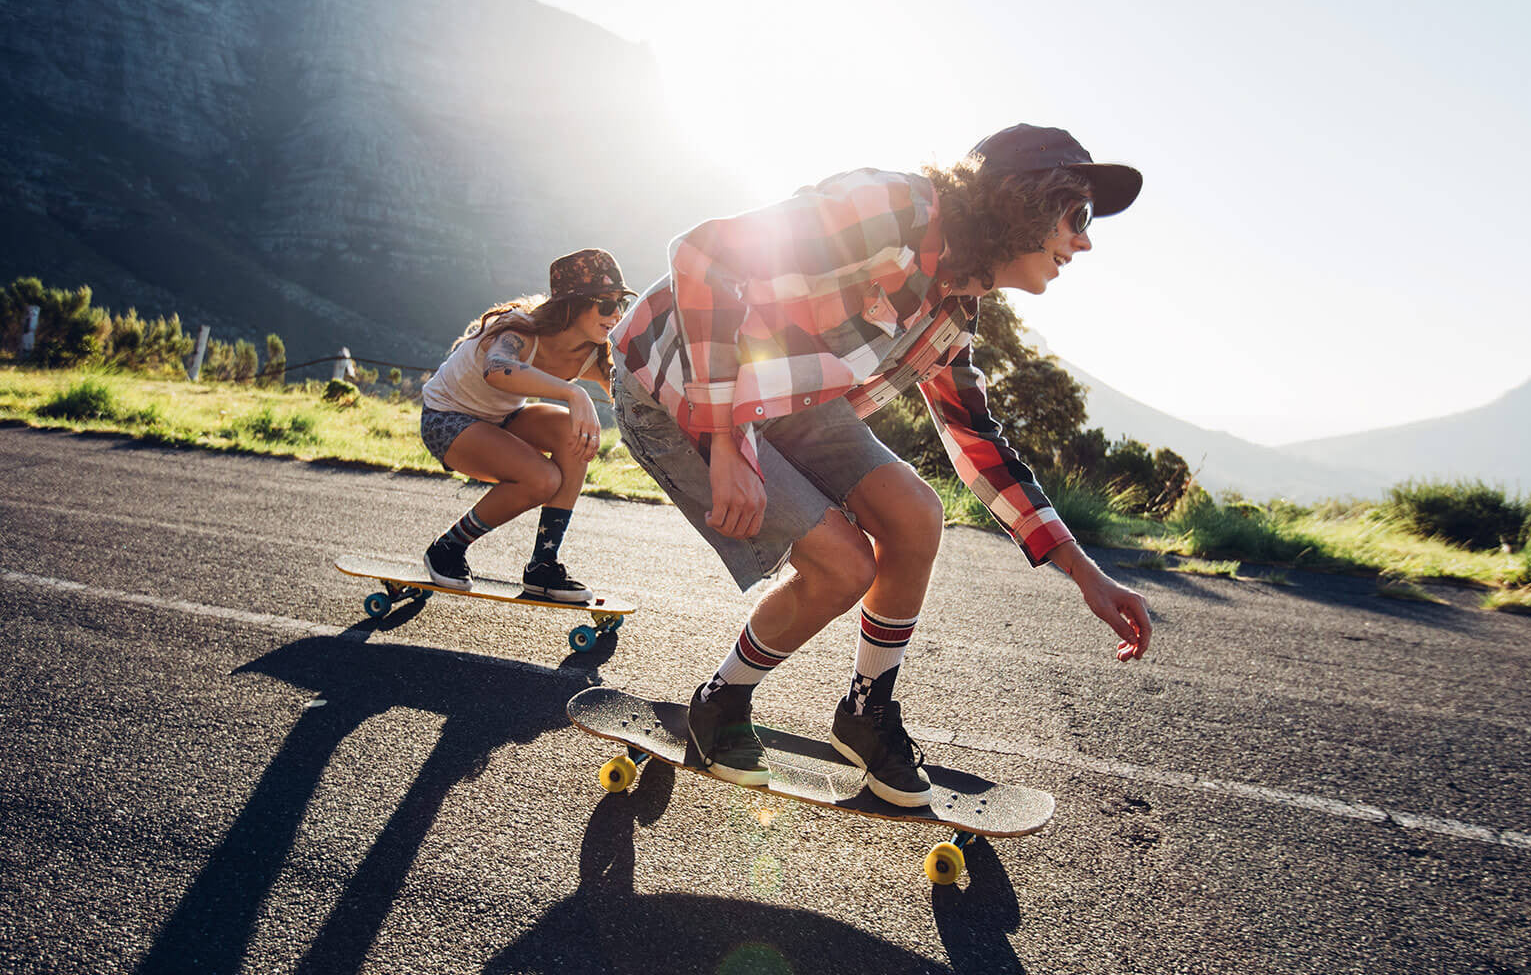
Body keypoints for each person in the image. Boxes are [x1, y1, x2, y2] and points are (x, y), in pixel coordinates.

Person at [609, 123, 1153, 807]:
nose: (1085, 240)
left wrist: (1084, 572)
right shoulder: (892, 210)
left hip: (781, 390)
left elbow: (976, 438)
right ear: (1026, 201)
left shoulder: (956, 310)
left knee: (916, 515)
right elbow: (704, 255)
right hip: (675, 379)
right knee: (845, 565)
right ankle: (720, 703)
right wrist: (726, 441)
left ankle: (864, 713)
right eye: (1079, 216)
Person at [418, 248, 635, 602]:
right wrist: (573, 394)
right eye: (606, 304)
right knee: (543, 479)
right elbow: (496, 367)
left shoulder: (593, 351)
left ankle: (543, 567)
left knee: (575, 436)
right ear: (573, 304)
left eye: (620, 304)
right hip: (446, 419)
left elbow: (633, 399)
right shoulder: (520, 327)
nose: (616, 315)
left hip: (501, 419)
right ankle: (447, 548)